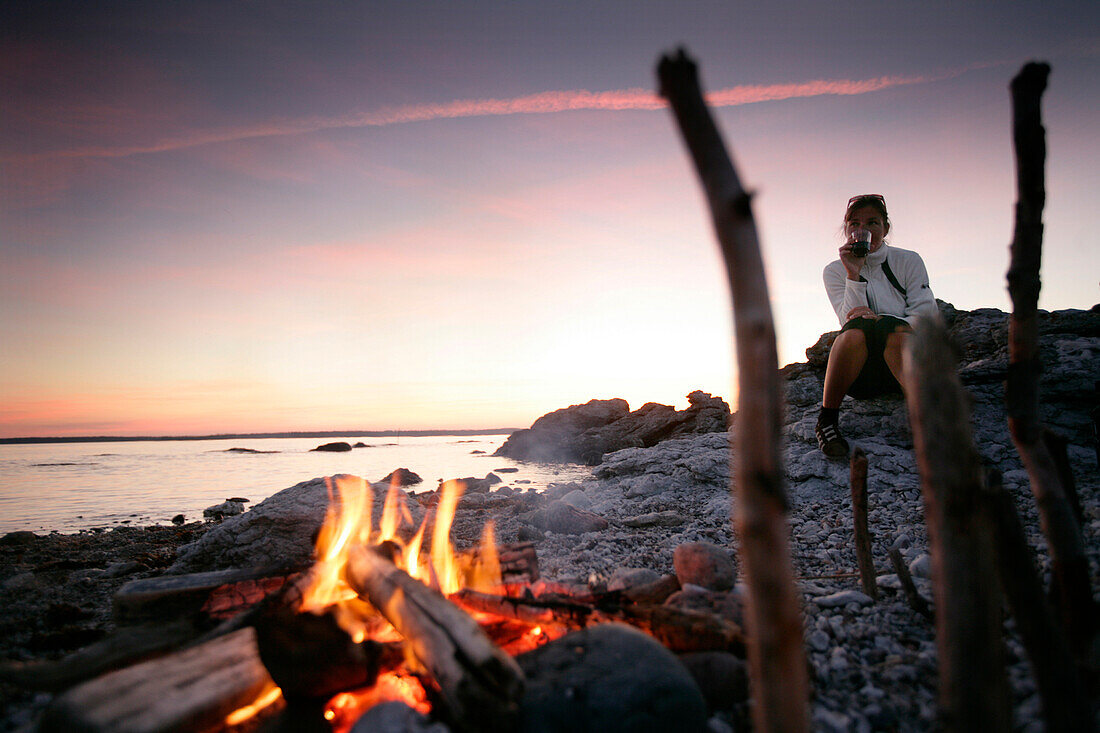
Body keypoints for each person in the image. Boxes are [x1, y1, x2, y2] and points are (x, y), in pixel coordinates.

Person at [816, 194, 938, 457]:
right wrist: (853, 273)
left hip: (905, 365)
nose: (864, 230)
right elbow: (848, 319)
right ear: (847, 230)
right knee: (853, 333)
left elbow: (926, 313)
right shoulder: (835, 271)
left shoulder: (908, 260)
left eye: (872, 223)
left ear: (886, 228)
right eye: (855, 224)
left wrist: (886, 321)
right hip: (861, 373)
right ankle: (826, 421)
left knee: (893, 333)